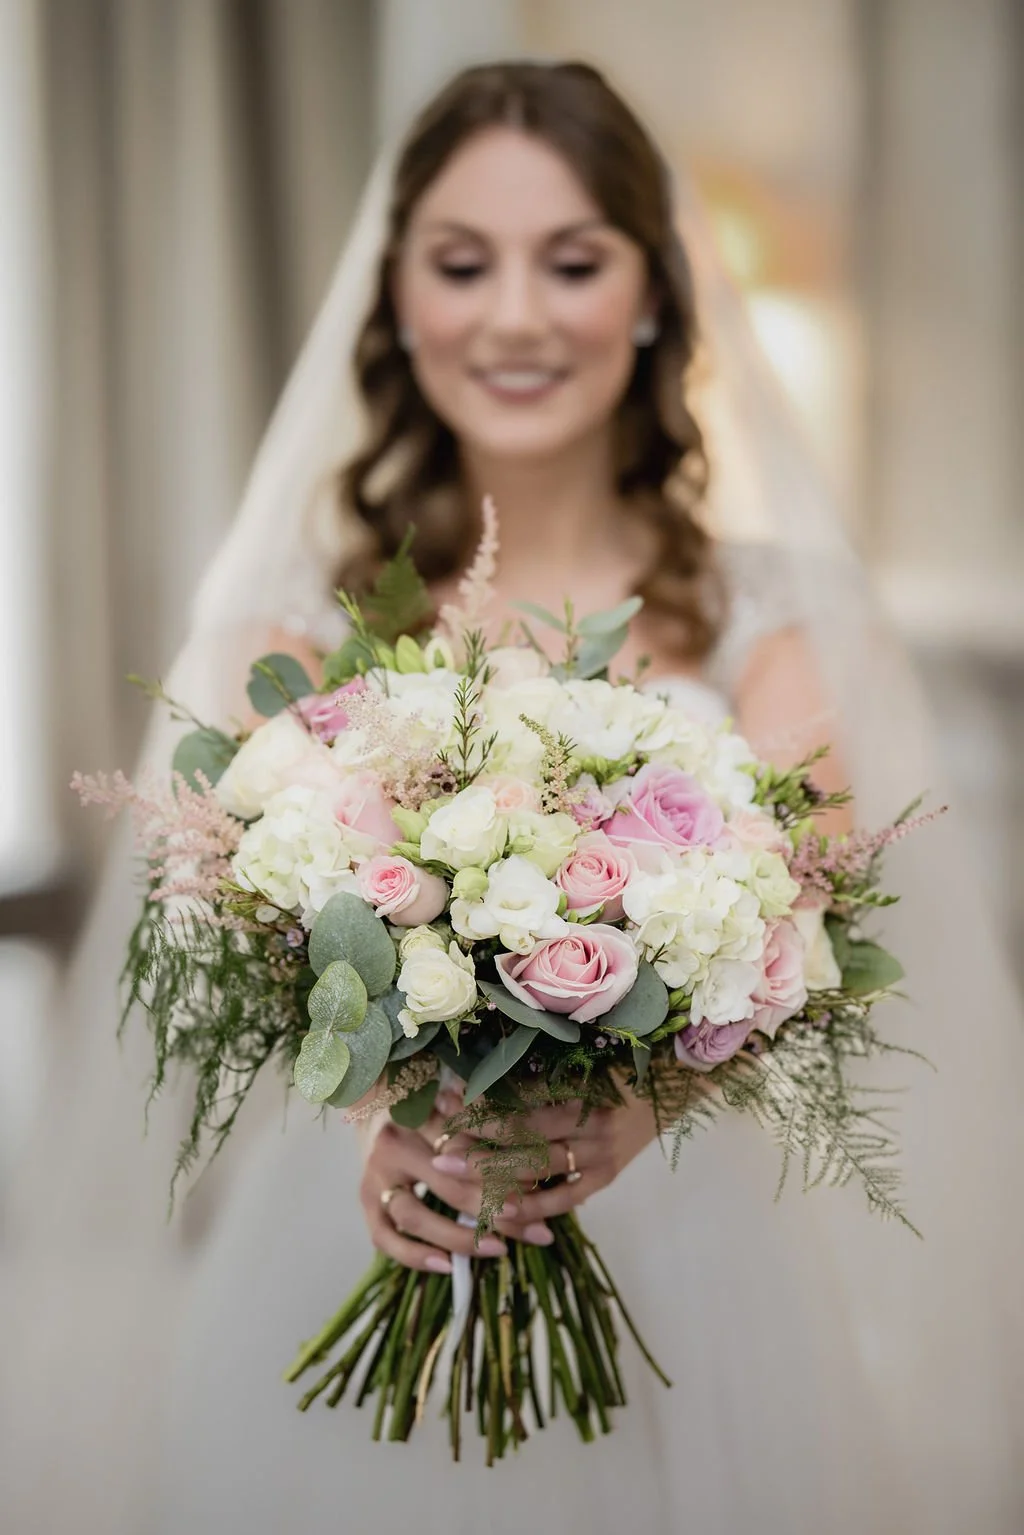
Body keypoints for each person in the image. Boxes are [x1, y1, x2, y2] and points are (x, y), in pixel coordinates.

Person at [6, 60, 1022, 1535]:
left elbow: (808, 918)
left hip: (690, 1269)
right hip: (363, 1235)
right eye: (464, 263)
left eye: (574, 261)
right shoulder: (297, 615)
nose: (517, 316)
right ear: (397, 298)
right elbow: (229, 915)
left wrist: (643, 1106)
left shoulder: (768, 616)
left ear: (656, 292)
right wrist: (378, 1125)